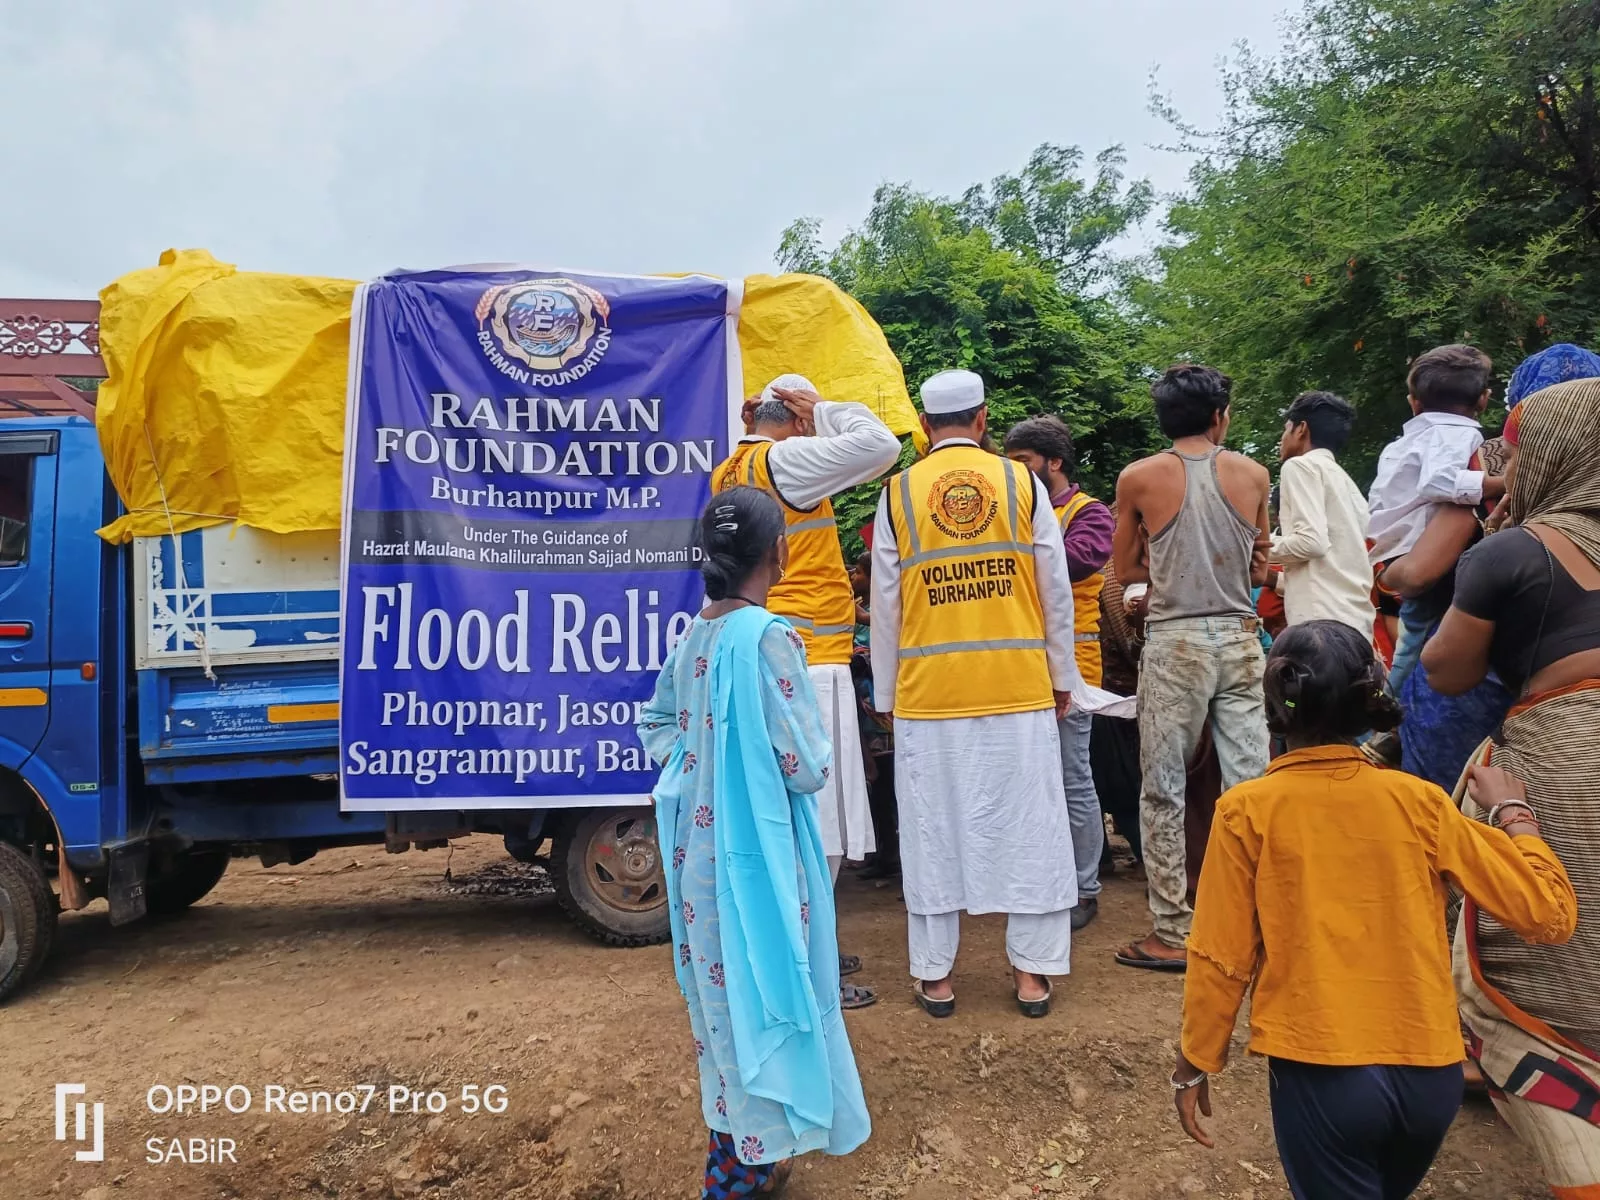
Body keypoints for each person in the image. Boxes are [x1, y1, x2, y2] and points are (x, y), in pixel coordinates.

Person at [1173, 621, 1577, 1200]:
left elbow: (1221, 956)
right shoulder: (1419, 803)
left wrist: (1195, 1060)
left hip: (1325, 1077)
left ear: (1275, 702)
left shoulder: (1246, 812)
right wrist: (1515, 813)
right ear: (1372, 698)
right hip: (1431, 1077)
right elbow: (1550, 913)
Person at [638, 487, 872, 1198]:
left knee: (723, 1002)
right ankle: (741, 1171)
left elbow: (658, 727)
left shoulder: (694, 635)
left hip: (698, 859)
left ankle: (743, 1154)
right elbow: (806, 765)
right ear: (780, 551)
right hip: (758, 860)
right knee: (767, 990)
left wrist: (704, 769)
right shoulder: (770, 636)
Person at [1418, 379, 1600, 1196]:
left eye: (1517, 451)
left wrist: (1484, 555)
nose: (1506, 469)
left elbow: (1447, 671)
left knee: (1539, 946)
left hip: (1563, 763)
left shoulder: (1514, 550)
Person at [870, 369, 1084, 1019]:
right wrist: (1062, 676)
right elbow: (1055, 587)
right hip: (1017, 685)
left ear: (926, 428)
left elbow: (885, 603)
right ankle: (1030, 973)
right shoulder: (1023, 483)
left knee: (933, 830)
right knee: (1033, 828)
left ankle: (937, 979)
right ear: (984, 419)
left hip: (930, 693)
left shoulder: (898, 493)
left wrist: (885, 689)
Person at [712, 374, 900, 1009]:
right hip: (806, 664)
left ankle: (809, 942)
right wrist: (825, 410)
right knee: (815, 824)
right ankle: (808, 969)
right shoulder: (785, 459)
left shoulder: (733, 467)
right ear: (792, 417)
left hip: (781, 655)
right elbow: (879, 448)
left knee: (794, 819)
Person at [1111, 364, 1271, 971]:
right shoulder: (1253, 474)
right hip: (1239, 638)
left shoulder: (1139, 478)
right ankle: (1258, 923)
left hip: (1174, 642)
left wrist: (1163, 576)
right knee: (1251, 788)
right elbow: (1260, 567)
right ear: (1219, 417)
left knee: (1164, 789)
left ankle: (1174, 930)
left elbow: (1125, 569)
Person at [1003, 414, 1115, 930]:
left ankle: (1083, 887)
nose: (1015, 471)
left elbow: (1074, 562)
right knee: (1027, 780)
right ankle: (1040, 880)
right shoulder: (1012, 511)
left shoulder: (1090, 514)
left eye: (1023, 462)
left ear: (1054, 462)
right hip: (1021, 669)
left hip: (1072, 670)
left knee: (1072, 780)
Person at [1368, 345, 1504, 692]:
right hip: (1423, 552)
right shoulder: (1459, 433)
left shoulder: (1404, 442)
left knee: (1413, 638)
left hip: (1395, 553)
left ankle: (1388, 705)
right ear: (1484, 399)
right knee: (1414, 645)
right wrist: (1500, 483)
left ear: (1414, 402)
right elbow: (1439, 482)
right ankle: (1388, 709)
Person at [1270, 391, 1374, 637]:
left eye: (1286, 429)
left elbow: (1311, 543)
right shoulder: (1344, 480)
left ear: (1301, 429)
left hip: (1319, 619)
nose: (1283, 438)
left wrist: (1256, 545)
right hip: (1356, 618)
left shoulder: (1299, 466)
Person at [848, 552, 897, 880]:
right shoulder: (864, 610)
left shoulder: (885, 611)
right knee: (876, 788)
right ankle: (881, 854)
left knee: (891, 788)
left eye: (857, 572)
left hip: (885, 720)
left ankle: (895, 859)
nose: (852, 577)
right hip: (867, 720)